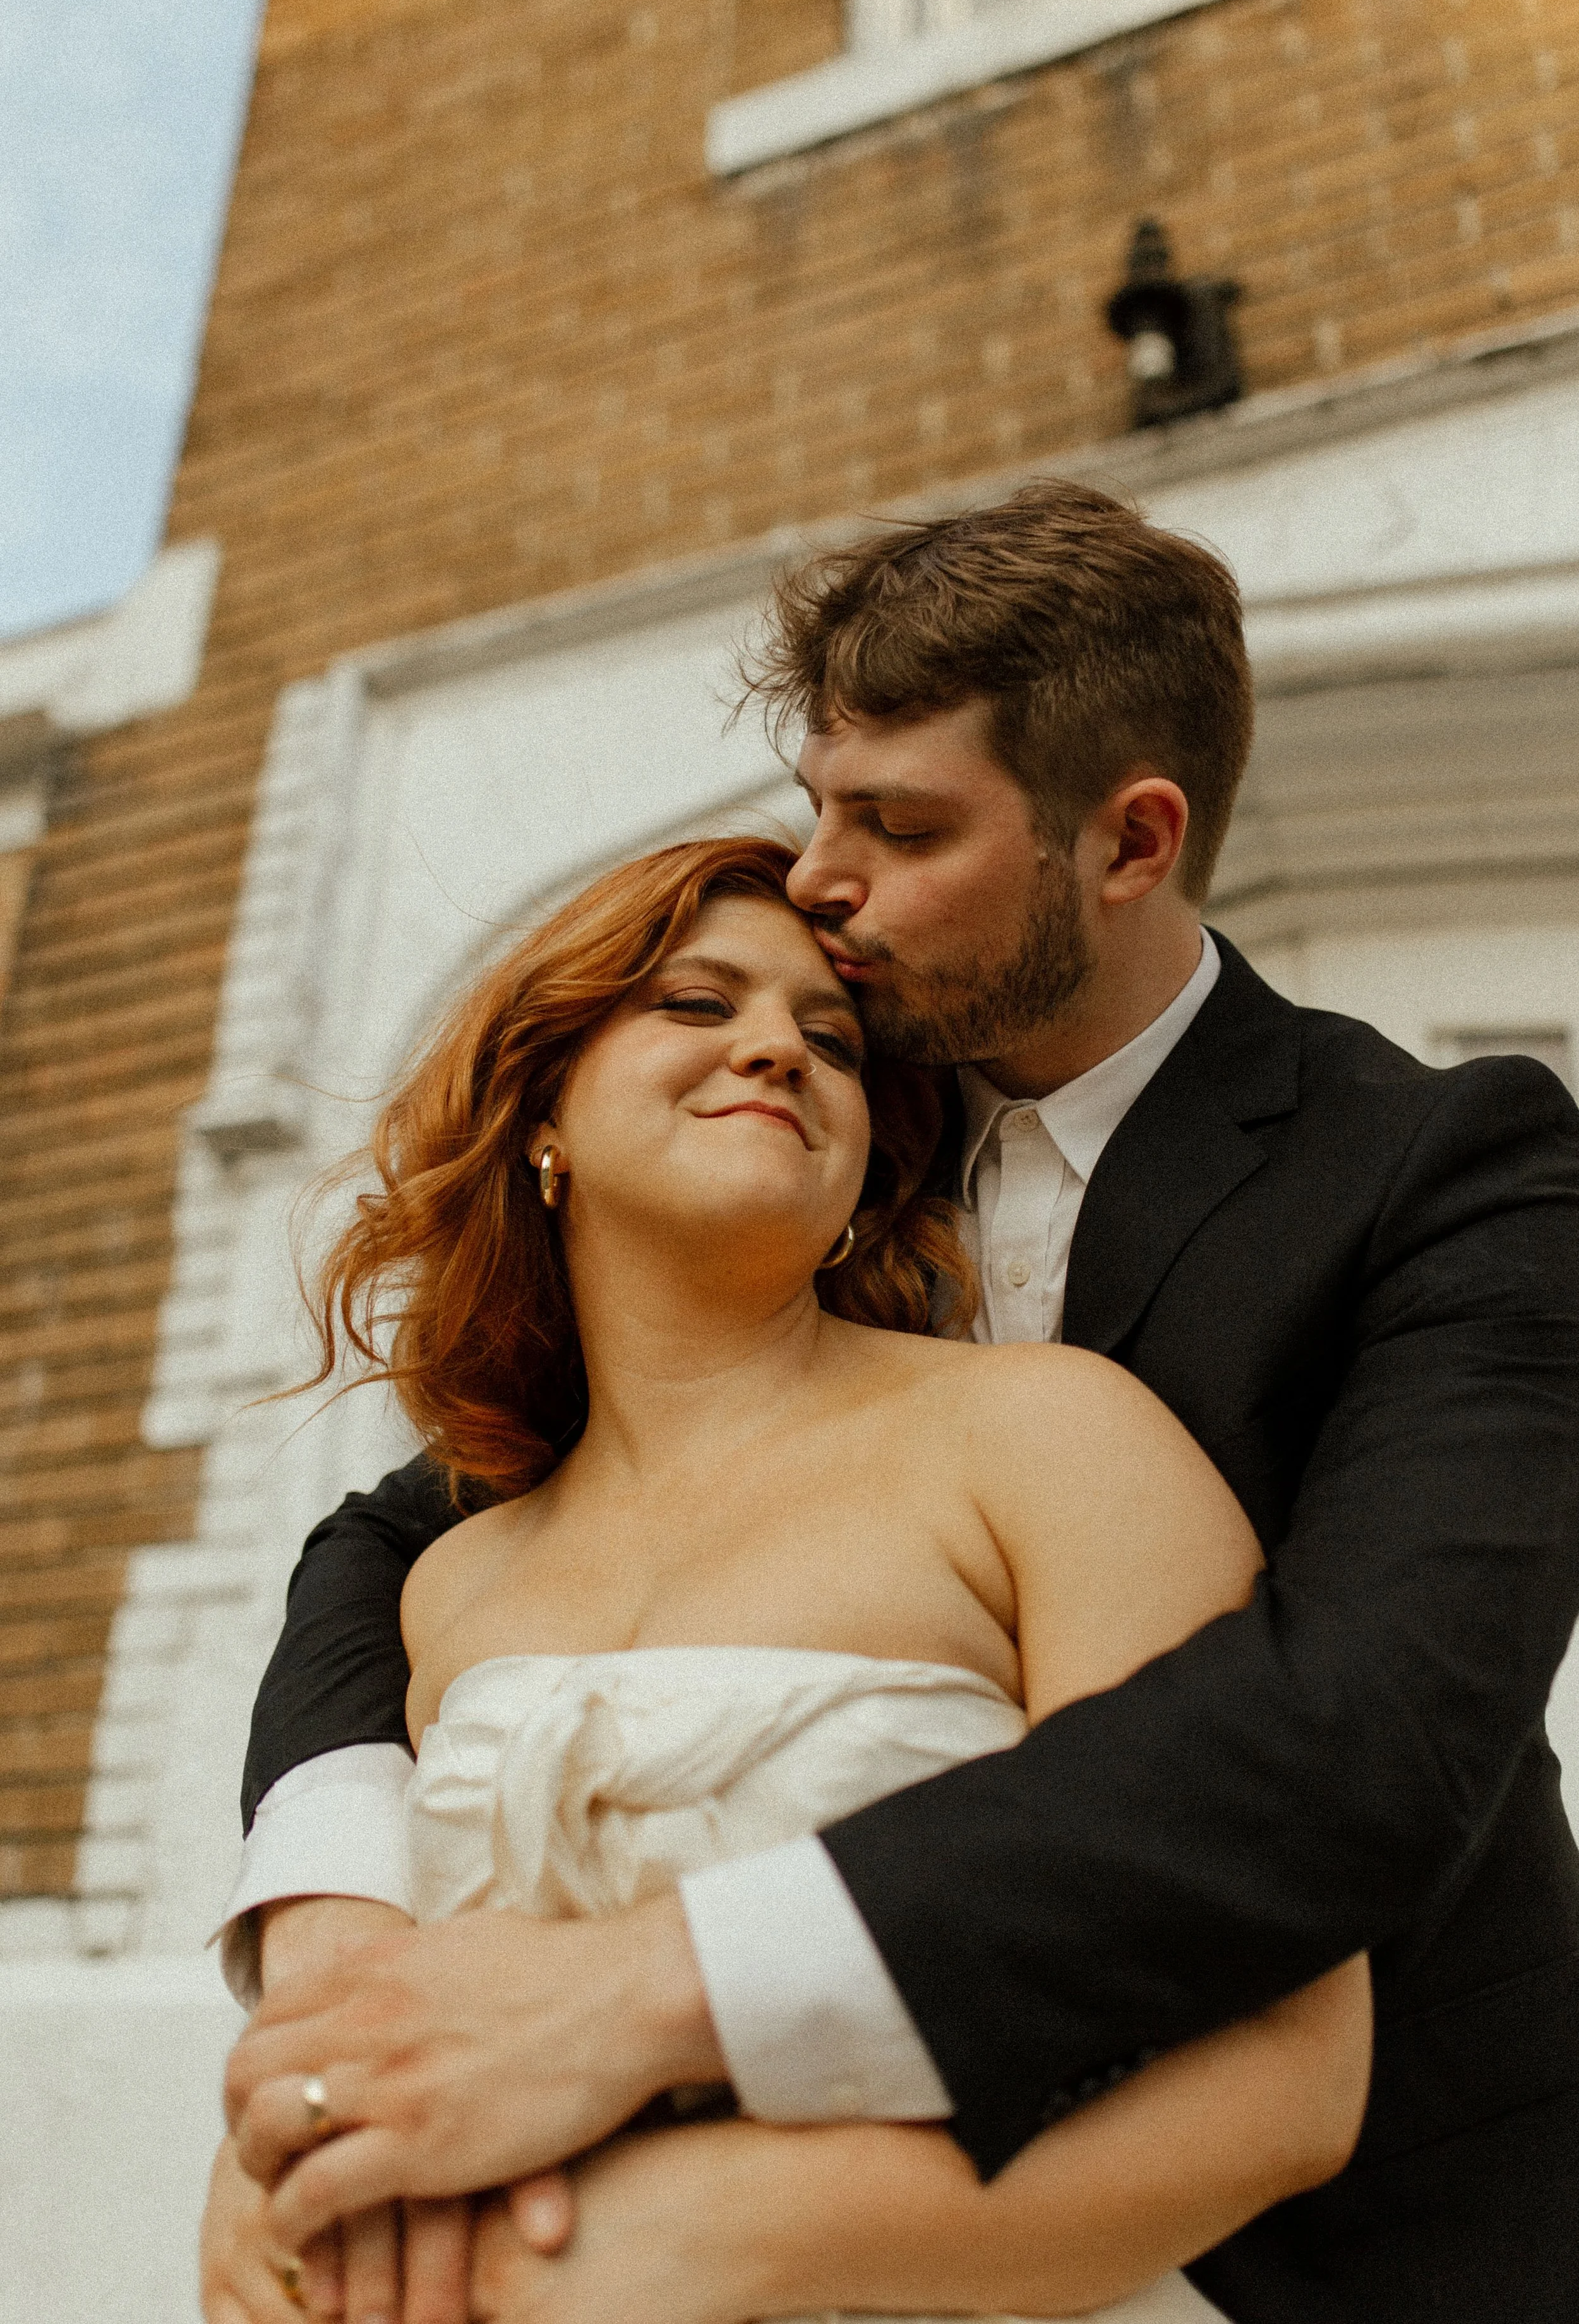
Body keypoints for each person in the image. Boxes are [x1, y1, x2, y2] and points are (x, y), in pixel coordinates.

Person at [213, 482, 1579, 2323]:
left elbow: (1364, 1731)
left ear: (1127, 840)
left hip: (1364, 2232)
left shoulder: (1442, 1163)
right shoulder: (814, 1163)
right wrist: (341, 1992)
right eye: (819, 806)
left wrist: (632, 1999)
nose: (819, 881)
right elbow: (410, 1535)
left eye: (900, 825)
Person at [217, 832, 1371, 2324]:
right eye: (695, 1006)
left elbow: (1283, 2080)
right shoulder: (443, 1588)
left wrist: (686, 2243)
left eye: (829, 1038)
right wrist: (286, 2163)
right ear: (541, 1114)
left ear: (867, 1168)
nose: (776, 1046)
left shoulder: (1044, 1437)